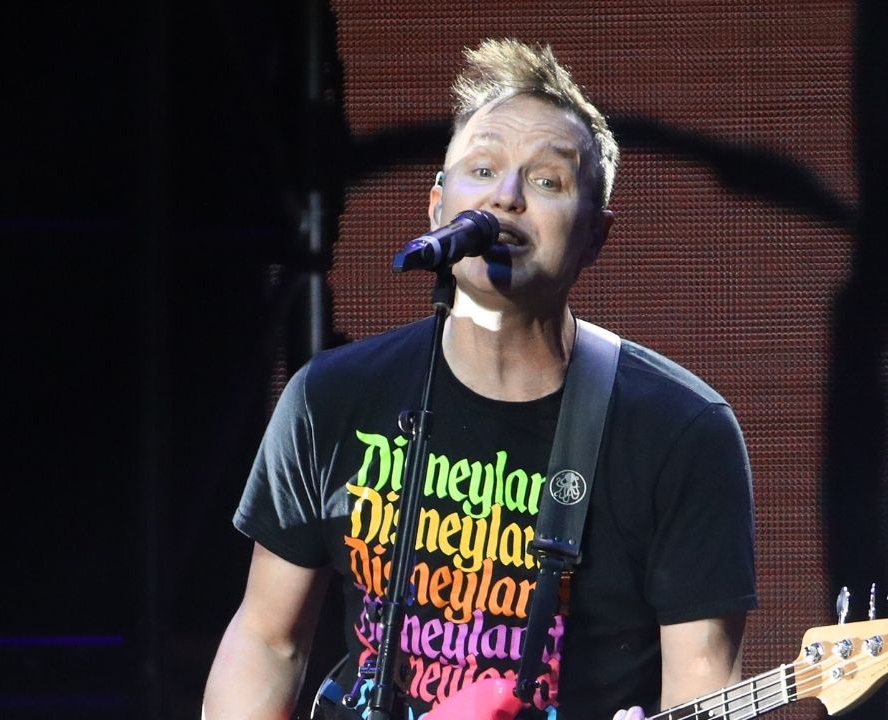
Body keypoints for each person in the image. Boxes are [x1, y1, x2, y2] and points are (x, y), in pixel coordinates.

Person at [203, 38, 756, 720]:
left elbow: (702, 678)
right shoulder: (331, 398)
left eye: (548, 181)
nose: (508, 196)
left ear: (595, 235)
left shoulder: (680, 432)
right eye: (483, 167)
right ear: (439, 208)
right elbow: (267, 640)